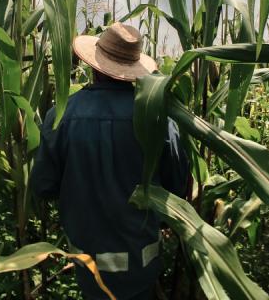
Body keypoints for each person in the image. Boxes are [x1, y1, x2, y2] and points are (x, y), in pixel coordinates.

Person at [31, 22, 189, 300]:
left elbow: (44, 186)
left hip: (89, 267)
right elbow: (177, 192)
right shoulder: (159, 119)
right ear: (133, 70)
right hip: (144, 265)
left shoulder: (61, 116)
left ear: (94, 65)